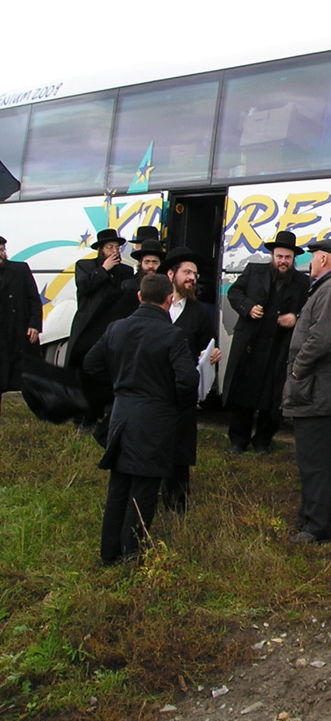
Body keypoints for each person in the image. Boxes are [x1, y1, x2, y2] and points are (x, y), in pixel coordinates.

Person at [83, 273, 198, 565]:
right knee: (144, 491)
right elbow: (187, 381)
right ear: (169, 300)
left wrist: (118, 388)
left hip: (121, 415)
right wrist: (173, 403)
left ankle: (108, 555)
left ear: (139, 297)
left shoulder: (116, 328)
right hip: (155, 420)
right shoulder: (172, 335)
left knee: (118, 487)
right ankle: (132, 556)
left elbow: (91, 364)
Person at [283, 239, 331, 543]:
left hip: (319, 388)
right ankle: (311, 518)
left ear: (324, 259)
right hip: (319, 388)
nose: (309, 264)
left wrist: (299, 367)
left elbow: (324, 336)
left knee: (317, 462)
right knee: (313, 459)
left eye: (312, 258)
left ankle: (316, 527)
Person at [223, 230, 310, 454]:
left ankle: (263, 440)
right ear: (272, 256)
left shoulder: (302, 282)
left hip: (279, 348)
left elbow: (309, 309)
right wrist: (248, 307)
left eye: (287, 258)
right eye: (279, 257)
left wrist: (296, 317)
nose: (283, 261)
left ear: (293, 259)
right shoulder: (254, 271)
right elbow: (234, 292)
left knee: (272, 398)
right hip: (251, 345)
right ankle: (238, 440)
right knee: (243, 394)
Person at [160, 246, 222, 512]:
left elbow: (207, 345)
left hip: (183, 393)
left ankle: (177, 501)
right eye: (187, 272)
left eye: (195, 274)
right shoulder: (154, 305)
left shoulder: (198, 312)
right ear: (171, 274)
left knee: (180, 450)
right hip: (156, 390)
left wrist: (211, 354)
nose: (192, 278)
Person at [65, 228, 134, 371]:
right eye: (110, 247)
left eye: (117, 247)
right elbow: (85, 287)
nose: (115, 251)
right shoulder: (85, 266)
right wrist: (104, 269)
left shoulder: (126, 271)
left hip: (112, 325)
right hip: (89, 324)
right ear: (100, 250)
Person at [0, 235, 43, 414]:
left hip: (19, 332)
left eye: (2, 250)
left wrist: (34, 324)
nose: (1, 254)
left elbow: (34, 299)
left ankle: (42, 413)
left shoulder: (20, 269)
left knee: (28, 379)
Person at [113, 238, 166, 321]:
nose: (151, 266)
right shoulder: (128, 286)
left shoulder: (167, 287)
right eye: (147, 262)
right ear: (140, 264)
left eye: (155, 262)